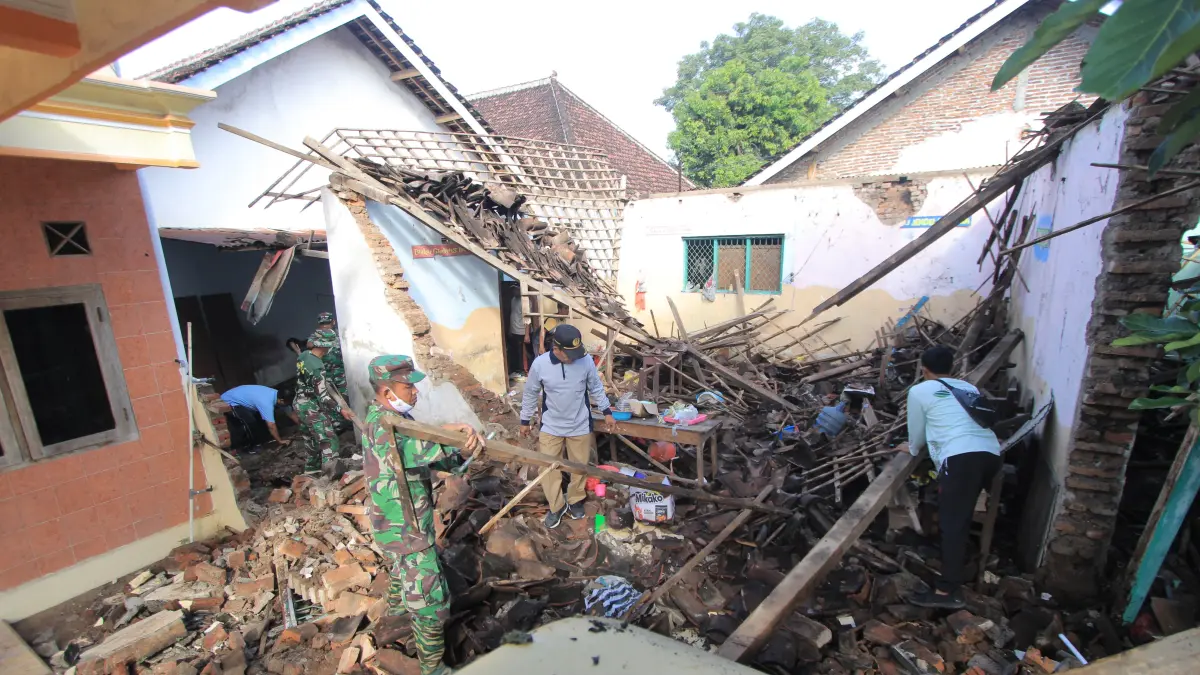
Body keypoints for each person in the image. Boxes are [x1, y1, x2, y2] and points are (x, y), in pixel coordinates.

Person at [362, 355, 483, 675]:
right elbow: (423, 449)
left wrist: (452, 443)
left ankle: (396, 617)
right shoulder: (387, 427)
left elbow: (425, 445)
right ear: (387, 392)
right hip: (407, 531)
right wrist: (464, 443)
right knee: (432, 605)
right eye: (407, 387)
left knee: (402, 574)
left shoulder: (384, 416)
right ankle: (432, 667)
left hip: (394, 524)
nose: (415, 391)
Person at [898, 344, 1002, 609]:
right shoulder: (968, 388)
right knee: (960, 514)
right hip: (990, 453)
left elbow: (917, 433)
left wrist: (910, 448)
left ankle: (948, 591)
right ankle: (965, 565)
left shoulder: (919, 390)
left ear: (924, 370)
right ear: (952, 367)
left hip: (960, 457)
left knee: (953, 522)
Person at [519, 323, 614, 529]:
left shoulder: (585, 360)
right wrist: (525, 420)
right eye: (569, 353)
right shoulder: (540, 365)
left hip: (579, 424)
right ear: (556, 349)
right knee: (548, 468)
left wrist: (607, 412)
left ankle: (575, 500)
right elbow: (530, 393)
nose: (574, 358)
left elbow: (596, 388)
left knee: (579, 467)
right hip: (551, 425)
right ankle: (556, 506)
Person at [295, 329, 353, 472]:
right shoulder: (317, 368)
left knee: (311, 441)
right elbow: (323, 396)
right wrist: (341, 410)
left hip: (298, 403)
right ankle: (330, 474)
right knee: (329, 440)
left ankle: (311, 472)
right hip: (310, 406)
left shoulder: (303, 356)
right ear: (326, 345)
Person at [220, 384, 299, 447]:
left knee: (263, 418)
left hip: (243, 396)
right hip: (229, 401)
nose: (289, 405)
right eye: (288, 403)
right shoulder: (266, 403)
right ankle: (249, 446)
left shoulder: (278, 395)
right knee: (250, 422)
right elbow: (271, 425)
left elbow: (291, 413)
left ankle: (265, 439)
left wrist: (303, 427)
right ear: (281, 400)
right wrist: (280, 441)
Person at [316, 311, 348, 399]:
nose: (325, 326)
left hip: (344, 378)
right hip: (329, 381)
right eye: (322, 324)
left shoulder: (343, 335)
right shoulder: (315, 339)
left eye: (327, 323)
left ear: (333, 322)